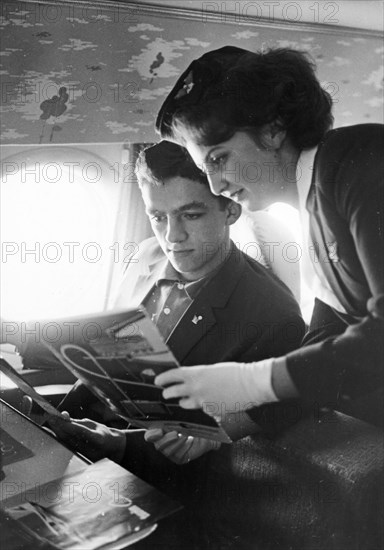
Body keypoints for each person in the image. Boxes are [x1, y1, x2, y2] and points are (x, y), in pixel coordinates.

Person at [153, 45, 384, 427]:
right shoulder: (311, 209)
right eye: (203, 167)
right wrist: (226, 425)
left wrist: (251, 382)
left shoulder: (358, 161)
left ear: (273, 129)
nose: (214, 184)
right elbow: (327, 339)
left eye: (219, 158)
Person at [50, 140, 305, 468]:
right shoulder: (145, 256)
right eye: (158, 217)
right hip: (85, 436)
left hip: (152, 472)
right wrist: (57, 421)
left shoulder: (273, 317)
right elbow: (103, 360)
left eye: (191, 215)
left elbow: (210, 447)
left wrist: (114, 444)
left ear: (230, 209)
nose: (172, 236)